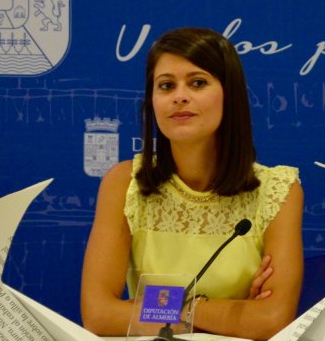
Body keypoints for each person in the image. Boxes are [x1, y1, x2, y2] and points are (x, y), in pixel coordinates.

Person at [81, 27, 304, 340]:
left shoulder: (278, 190)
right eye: (166, 85)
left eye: (197, 82)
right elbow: (99, 315)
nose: (180, 96)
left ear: (230, 94)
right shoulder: (123, 183)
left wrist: (155, 311)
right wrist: (233, 315)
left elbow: (272, 320)